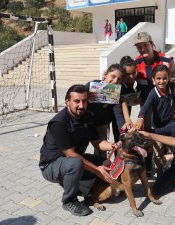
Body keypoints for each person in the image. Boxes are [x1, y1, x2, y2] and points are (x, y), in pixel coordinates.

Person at [39, 84, 120, 216]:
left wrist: (113, 145)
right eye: (77, 101)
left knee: (105, 163)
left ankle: (84, 188)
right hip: (51, 165)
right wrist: (96, 169)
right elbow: (70, 154)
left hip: (72, 160)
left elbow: (97, 143)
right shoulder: (58, 123)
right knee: (76, 164)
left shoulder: (86, 116)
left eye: (84, 101)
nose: (81, 106)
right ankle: (69, 200)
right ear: (67, 102)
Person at [133, 31, 175, 176]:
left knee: (166, 130)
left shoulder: (166, 60)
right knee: (148, 135)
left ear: (152, 44)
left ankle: (169, 162)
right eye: (139, 47)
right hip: (147, 105)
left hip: (164, 103)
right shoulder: (136, 62)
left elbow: (174, 82)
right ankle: (148, 166)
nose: (143, 49)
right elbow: (132, 83)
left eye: (145, 45)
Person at [85, 64, 125, 156]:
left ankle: (101, 168)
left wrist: (123, 131)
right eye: (113, 76)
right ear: (106, 74)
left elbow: (118, 113)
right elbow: (75, 95)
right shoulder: (92, 85)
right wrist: (85, 95)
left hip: (101, 124)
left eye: (118, 79)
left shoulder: (116, 93)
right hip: (86, 122)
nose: (115, 81)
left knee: (101, 151)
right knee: (79, 146)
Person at [118, 56, 139, 131]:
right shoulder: (119, 84)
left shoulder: (133, 80)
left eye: (134, 73)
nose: (132, 76)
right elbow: (123, 101)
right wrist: (127, 119)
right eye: (128, 74)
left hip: (127, 108)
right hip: (117, 110)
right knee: (120, 130)